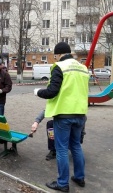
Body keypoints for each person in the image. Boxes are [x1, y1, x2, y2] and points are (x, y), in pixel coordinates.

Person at [34, 42, 89, 192]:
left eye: (55, 56)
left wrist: (38, 91)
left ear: (58, 55)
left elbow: (52, 91)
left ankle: (62, 183)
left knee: (62, 149)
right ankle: (79, 177)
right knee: (76, 146)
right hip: (80, 113)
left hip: (64, 114)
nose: (55, 58)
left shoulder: (60, 67)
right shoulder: (83, 68)